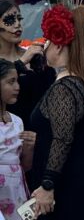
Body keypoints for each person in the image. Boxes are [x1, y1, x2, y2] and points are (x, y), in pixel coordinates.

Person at [27, 4, 84, 219]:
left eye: (48, 41)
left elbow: (62, 138)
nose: (45, 46)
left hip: (67, 185)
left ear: (59, 46)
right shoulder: (82, 82)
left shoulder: (65, 87)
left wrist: (47, 184)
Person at [0, 0, 55, 127]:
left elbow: (47, 98)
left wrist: (42, 67)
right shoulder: (26, 57)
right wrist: (22, 63)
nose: (17, 24)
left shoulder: (32, 55)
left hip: (36, 134)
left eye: (19, 19)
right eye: (9, 20)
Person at [0, 59, 31, 218]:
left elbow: (25, 165)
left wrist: (29, 147)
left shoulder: (17, 121)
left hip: (16, 189)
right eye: (11, 82)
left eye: (17, 81)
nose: (17, 87)